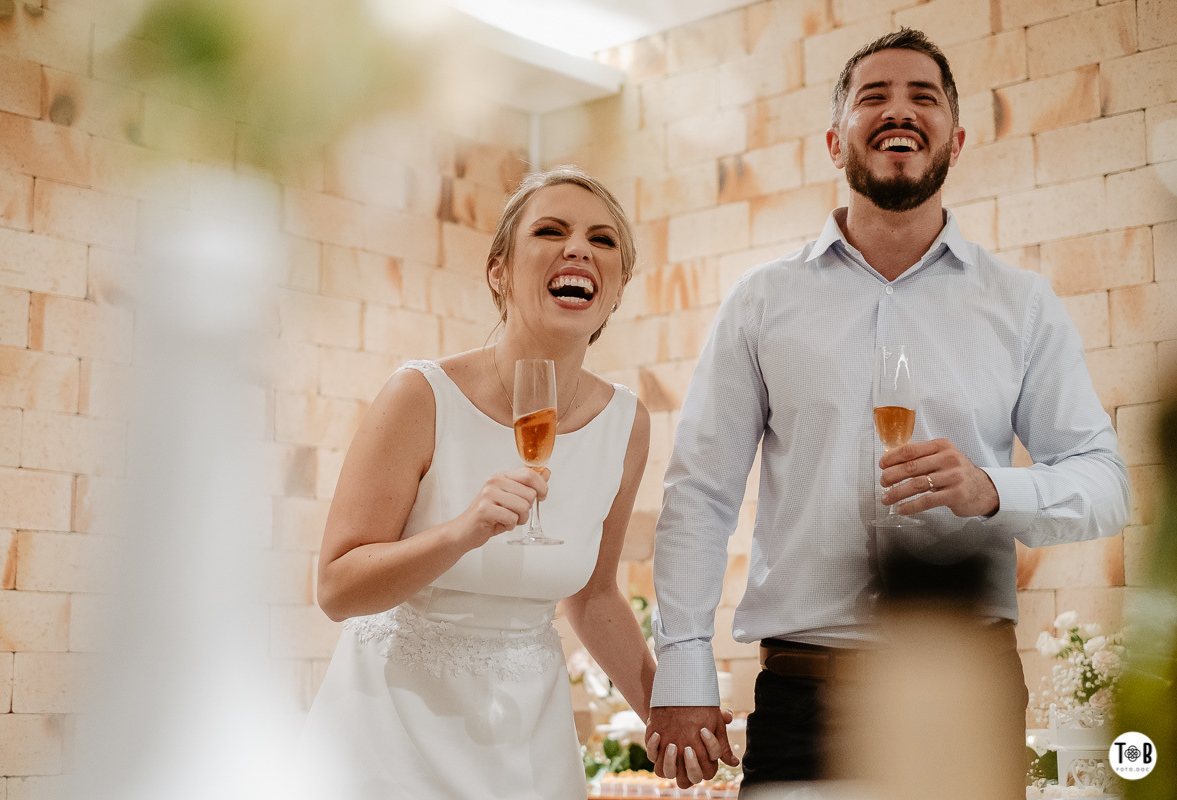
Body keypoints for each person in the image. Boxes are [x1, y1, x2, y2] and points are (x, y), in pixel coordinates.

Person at [644, 28, 1130, 793]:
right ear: (836, 142)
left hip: (966, 688)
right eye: (874, 97)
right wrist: (682, 665)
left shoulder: (1023, 305)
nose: (898, 111)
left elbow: (1107, 484)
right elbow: (700, 493)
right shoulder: (761, 303)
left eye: (923, 98)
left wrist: (993, 489)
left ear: (956, 139)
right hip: (803, 693)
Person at [296, 167, 656, 799]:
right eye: (551, 230)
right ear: (499, 271)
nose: (579, 249)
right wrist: (460, 534)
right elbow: (336, 588)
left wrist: (666, 712)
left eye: (603, 241)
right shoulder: (420, 396)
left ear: (618, 285)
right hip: (389, 732)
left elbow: (595, 596)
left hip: (526, 740)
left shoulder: (627, 423)